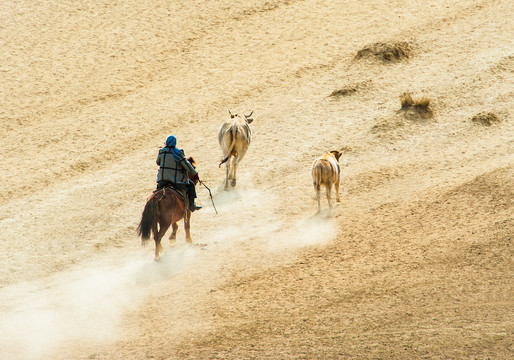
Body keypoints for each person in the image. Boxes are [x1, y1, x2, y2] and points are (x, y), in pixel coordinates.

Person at [156, 135, 202, 212]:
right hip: (176, 181)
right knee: (191, 185)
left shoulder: (161, 151)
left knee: (157, 192)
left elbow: (158, 162)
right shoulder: (178, 153)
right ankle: (192, 205)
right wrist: (195, 174)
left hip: (162, 180)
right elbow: (187, 166)